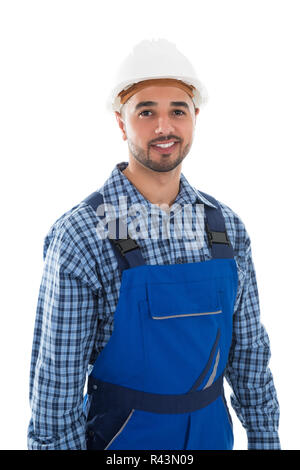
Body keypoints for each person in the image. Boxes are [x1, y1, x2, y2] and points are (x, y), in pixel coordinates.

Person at [27, 38, 280, 450]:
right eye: (146, 112)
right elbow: (56, 396)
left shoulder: (227, 229)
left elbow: (250, 359)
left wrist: (266, 440)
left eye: (177, 111)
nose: (164, 127)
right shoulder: (81, 237)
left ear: (194, 117)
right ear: (122, 122)